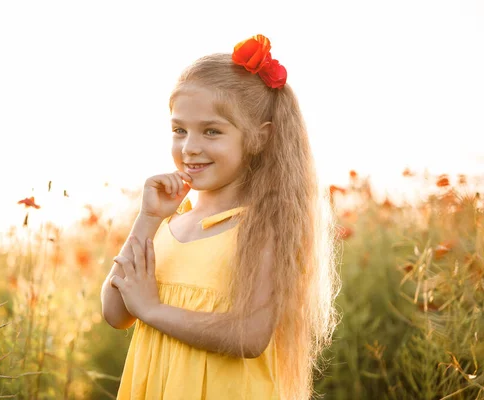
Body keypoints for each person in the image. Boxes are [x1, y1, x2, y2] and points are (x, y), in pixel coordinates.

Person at [101, 34, 342, 400]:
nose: (190, 147)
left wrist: (152, 309)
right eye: (179, 130)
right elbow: (115, 312)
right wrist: (147, 219)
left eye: (211, 131)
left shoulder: (261, 227)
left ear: (260, 138)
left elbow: (250, 335)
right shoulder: (169, 223)